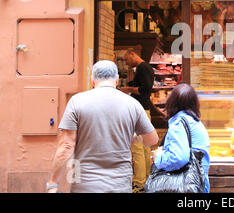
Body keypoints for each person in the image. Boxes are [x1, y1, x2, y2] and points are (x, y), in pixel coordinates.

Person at [46, 60, 159, 193]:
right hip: (120, 185)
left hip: (85, 185)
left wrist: (53, 183)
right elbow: (152, 140)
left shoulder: (76, 102)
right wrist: (134, 138)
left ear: (92, 80)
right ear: (116, 80)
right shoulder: (132, 104)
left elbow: (66, 147)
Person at [152, 83, 210, 193]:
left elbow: (178, 158)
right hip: (197, 185)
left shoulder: (179, 124)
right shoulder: (195, 122)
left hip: (184, 187)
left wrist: (158, 156)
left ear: (171, 103)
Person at [119, 49, 160, 192]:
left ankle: (139, 182)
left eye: (126, 59)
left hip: (140, 111)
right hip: (144, 110)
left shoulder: (143, 68)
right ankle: (146, 178)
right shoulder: (143, 68)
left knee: (137, 147)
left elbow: (144, 89)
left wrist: (127, 89)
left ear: (132, 54)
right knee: (144, 147)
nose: (126, 63)